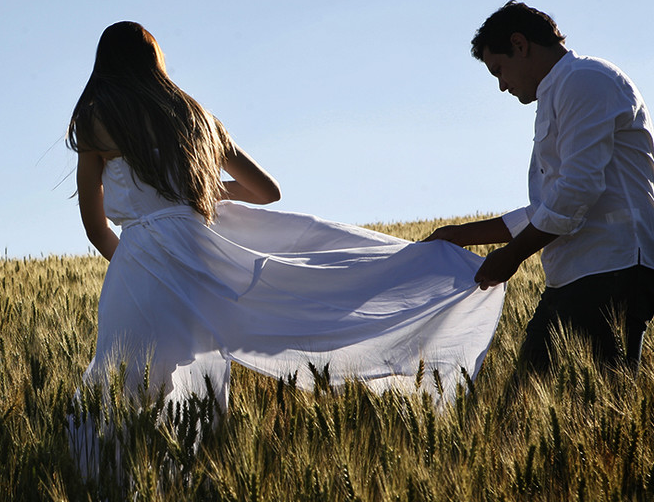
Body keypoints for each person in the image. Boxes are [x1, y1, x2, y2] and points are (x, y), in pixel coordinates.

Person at [68, 21, 505, 417]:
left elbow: (95, 226)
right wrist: (192, 194)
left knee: (119, 392)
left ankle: (108, 492)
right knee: (193, 390)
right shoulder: (197, 118)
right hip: (202, 263)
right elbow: (266, 192)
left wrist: (138, 261)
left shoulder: (95, 119)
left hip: (140, 264)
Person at [427, 1, 654, 372]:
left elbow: (577, 191)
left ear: (520, 44)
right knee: (523, 410)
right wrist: (459, 235)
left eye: (498, 69)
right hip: (576, 274)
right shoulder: (560, 91)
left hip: (611, 269)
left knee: (589, 411)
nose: (502, 86)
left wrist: (513, 255)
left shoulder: (585, 80)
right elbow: (549, 206)